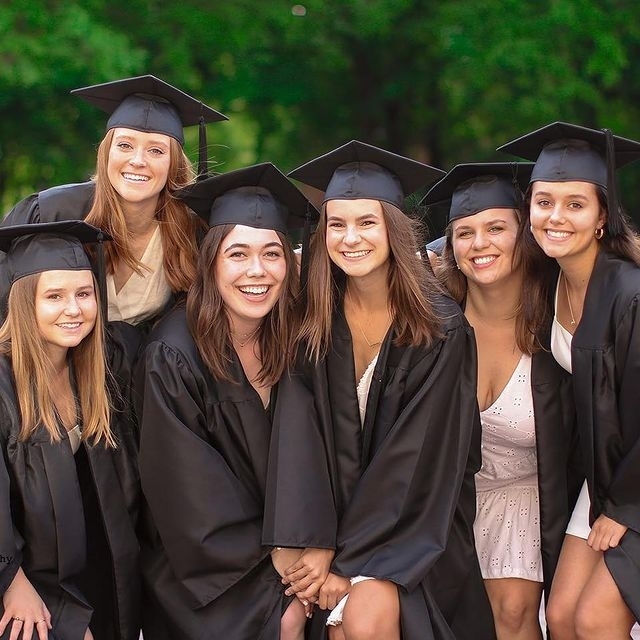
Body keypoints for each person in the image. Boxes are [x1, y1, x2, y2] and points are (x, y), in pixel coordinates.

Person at [263, 140, 495, 639]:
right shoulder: (314, 324)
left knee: (364, 620)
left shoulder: (441, 328)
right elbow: (300, 440)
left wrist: (341, 556)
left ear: (393, 228)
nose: (351, 238)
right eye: (338, 224)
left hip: (415, 529)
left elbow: (416, 458)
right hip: (332, 526)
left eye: (367, 222)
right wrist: (310, 538)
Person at [135, 162, 319, 639]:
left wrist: (310, 551)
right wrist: (278, 591)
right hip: (204, 581)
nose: (257, 271)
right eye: (238, 254)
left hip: (296, 560)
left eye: (272, 253)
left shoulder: (298, 341)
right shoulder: (172, 355)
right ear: (210, 259)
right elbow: (190, 503)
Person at [422, 162, 581, 639]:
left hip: (532, 490)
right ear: (449, 247)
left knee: (512, 611)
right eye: (464, 232)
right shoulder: (432, 325)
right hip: (450, 499)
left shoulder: (559, 321)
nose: (480, 244)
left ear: (524, 234)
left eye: (496, 228)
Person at [498, 121, 640, 639]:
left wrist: (624, 509)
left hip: (633, 488)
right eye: (543, 202)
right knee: (558, 617)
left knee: (596, 618)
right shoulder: (551, 285)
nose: (555, 217)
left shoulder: (629, 295)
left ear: (603, 216)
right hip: (605, 479)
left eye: (575, 204)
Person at [0, 221, 140, 640]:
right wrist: (11, 582)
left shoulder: (104, 365)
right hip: (28, 576)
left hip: (100, 564)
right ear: (25, 303)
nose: (74, 309)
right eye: (54, 296)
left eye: (84, 294)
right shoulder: (4, 382)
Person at [1, 74, 227, 327]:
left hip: (139, 365)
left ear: (173, 164)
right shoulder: (52, 212)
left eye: (156, 150)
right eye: (125, 145)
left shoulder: (189, 231)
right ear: (106, 153)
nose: (138, 160)